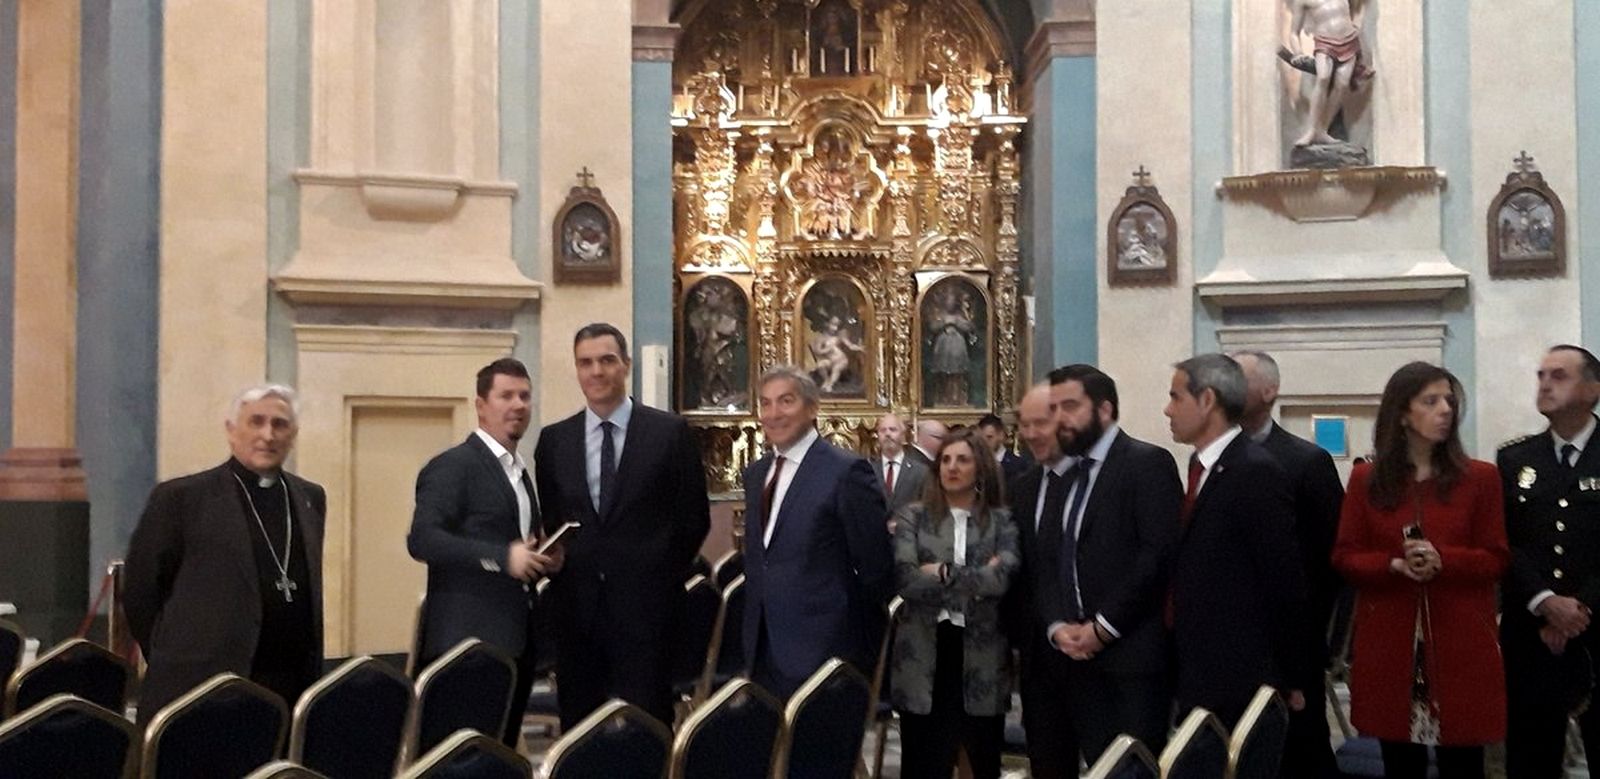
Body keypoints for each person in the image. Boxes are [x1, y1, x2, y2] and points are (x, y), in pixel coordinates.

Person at [1332, 361, 1508, 779]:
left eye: (1449, 400)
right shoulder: (1366, 480)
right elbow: (1344, 556)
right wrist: (1392, 564)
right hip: (1391, 641)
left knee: (1463, 763)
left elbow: (1497, 557)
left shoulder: (1480, 479)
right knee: (1400, 761)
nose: (1445, 409)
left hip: (1460, 642)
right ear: (1402, 413)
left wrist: (1445, 560)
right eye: (1431, 401)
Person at [533, 323, 711, 729]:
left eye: (607, 360)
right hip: (578, 615)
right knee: (580, 732)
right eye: (586, 362)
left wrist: (655, 573)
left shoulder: (669, 434)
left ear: (626, 365)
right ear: (577, 370)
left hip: (648, 612)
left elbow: (692, 519)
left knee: (647, 728)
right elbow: (555, 521)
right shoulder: (554, 442)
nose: (597, 371)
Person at [125, 384, 325, 726]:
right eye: (256, 422)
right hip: (200, 683)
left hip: (288, 684)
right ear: (232, 431)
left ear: (293, 435)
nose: (267, 434)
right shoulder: (182, 498)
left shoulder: (310, 497)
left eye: (279, 425)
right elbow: (141, 590)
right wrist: (172, 655)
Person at [1027, 365, 1181, 770]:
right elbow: (1048, 559)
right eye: (1055, 408)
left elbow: (1156, 557)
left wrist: (1103, 627)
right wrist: (1057, 625)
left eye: (1071, 407)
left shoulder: (1146, 463)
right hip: (1077, 657)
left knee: (1133, 768)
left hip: (1131, 655)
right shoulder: (1069, 474)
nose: (1060, 418)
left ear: (1105, 410)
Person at [408, 358, 560, 746]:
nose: (518, 405)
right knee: (460, 759)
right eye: (506, 395)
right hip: (465, 645)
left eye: (524, 396)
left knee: (499, 755)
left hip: (516, 642)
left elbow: (517, 550)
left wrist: (544, 560)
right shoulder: (452, 466)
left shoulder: (520, 471)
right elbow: (422, 540)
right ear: (481, 405)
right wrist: (501, 556)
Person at [1165, 354, 1311, 728]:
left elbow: (1283, 580)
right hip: (1201, 663)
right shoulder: (1203, 466)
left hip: (1239, 671)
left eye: (1176, 397)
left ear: (1208, 400)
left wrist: (1293, 673)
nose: (1168, 410)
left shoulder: (1255, 471)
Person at [741, 366, 893, 697]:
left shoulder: (845, 471)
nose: (773, 413)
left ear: (812, 408)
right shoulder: (757, 474)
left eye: (786, 401)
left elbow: (876, 565)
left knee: (818, 748)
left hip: (824, 648)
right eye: (765, 404)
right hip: (763, 644)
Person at [1233, 350, 1345, 778]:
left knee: (1301, 752)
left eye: (1238, 378)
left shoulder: (1305, 461)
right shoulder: (1210, 458)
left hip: (1290, 641)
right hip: (1233, 642)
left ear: (1270, 389)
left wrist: (1305, 641)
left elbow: (1326, 559)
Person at [889, 428, 1020, 779]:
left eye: (962, 459)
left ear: (980, 466)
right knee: (922, 762)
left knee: (980, 760)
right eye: (945, 459)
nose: (952, 467)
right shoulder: (912, 517)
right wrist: (972, 577)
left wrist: (941, 572)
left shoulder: (1001, 521)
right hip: (924, 652)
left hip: (981, 653)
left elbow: (1002, 579)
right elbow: (906, 579)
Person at [1500, 345, 1600, 778]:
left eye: (1559, 375)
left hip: (1597, 632)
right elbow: (1505, 542)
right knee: (1530, 758)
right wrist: (1544, 601)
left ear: (1592, 389)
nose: (1544, 384)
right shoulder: (1516, 457)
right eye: (1541, 375)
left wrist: (1579, 608)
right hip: (1532, 634)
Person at [1283, 0, 1374, 147]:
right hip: (1325, 43)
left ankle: (1322, 129)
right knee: (1323, 77)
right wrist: (1298, 53)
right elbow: (1294, 33)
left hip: (1349, 40)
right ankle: (1312, 130)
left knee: (1342, 84)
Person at [873, 412, 930, 523]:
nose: (888, 434)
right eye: (883, 430)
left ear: (903, 435)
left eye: (893, 429)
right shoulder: (868, 469)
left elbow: (926, 507)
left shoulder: (920, 471)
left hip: (907, 535)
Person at [977, 413, 1027, 485]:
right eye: (981, 439)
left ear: (1001, 435)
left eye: (989, 437)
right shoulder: (976, 464)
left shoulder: (1017, 465)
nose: (984, 443)